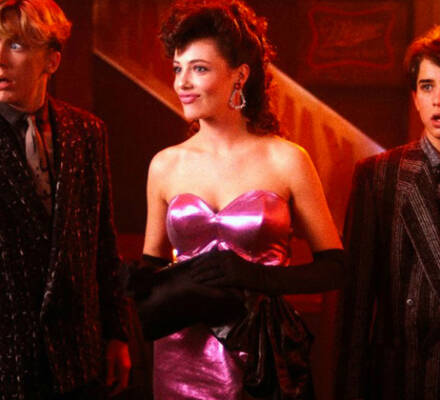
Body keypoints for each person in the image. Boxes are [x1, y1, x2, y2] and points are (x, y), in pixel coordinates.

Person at [134, 0, 345, 398]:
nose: (182, 83)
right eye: (178, 68)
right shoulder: (165, 164)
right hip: (180, 354)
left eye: (199, 69)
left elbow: (334, 268)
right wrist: (132, 281)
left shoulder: (287, 159)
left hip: (261, 352)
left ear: (240, 75)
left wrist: (255, 277)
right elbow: (153, 266)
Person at [0, 1, 131, 399]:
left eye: (16, 45)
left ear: (52, 60)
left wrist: (117, 333)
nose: (0, 59)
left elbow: (102, 242)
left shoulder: (86, 131)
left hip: (79, 357)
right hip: (8, 361)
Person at [335, 25, 440, 400]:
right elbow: (355, 310)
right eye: (427, 86)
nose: (438, 100)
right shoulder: (380, 176)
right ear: (414, 97)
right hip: (404, 380)